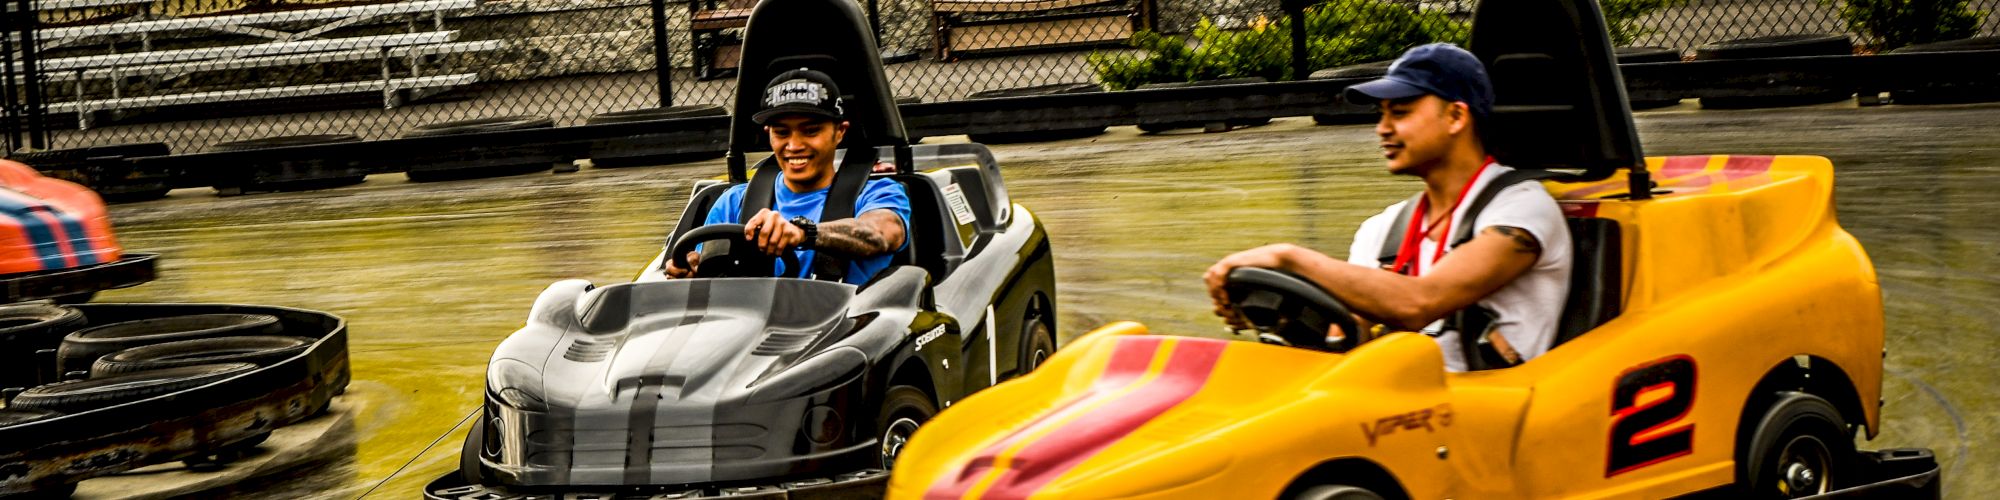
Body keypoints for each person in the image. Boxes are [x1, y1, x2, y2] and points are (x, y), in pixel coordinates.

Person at [1202, 43, 1571, 371]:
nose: (1382, 128)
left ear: (1456, 117)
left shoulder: (1523, 208)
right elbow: (1346, 332)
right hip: (1404, 412)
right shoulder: (1383, 229)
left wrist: (1289, 258)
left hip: (1488, 416)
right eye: (1382, 114)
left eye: (1401, 112)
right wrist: (1272, 313)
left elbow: (1420, 303)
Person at [665, 68, 910, 284]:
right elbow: (707, 268)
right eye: (782, 133)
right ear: (768, 134)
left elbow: (880, 233)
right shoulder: (734, 203)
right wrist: (691, 271)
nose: (794, 145)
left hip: (845, 326)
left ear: (839, 132)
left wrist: (804, 233)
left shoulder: (878, 193)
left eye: (810, 131)